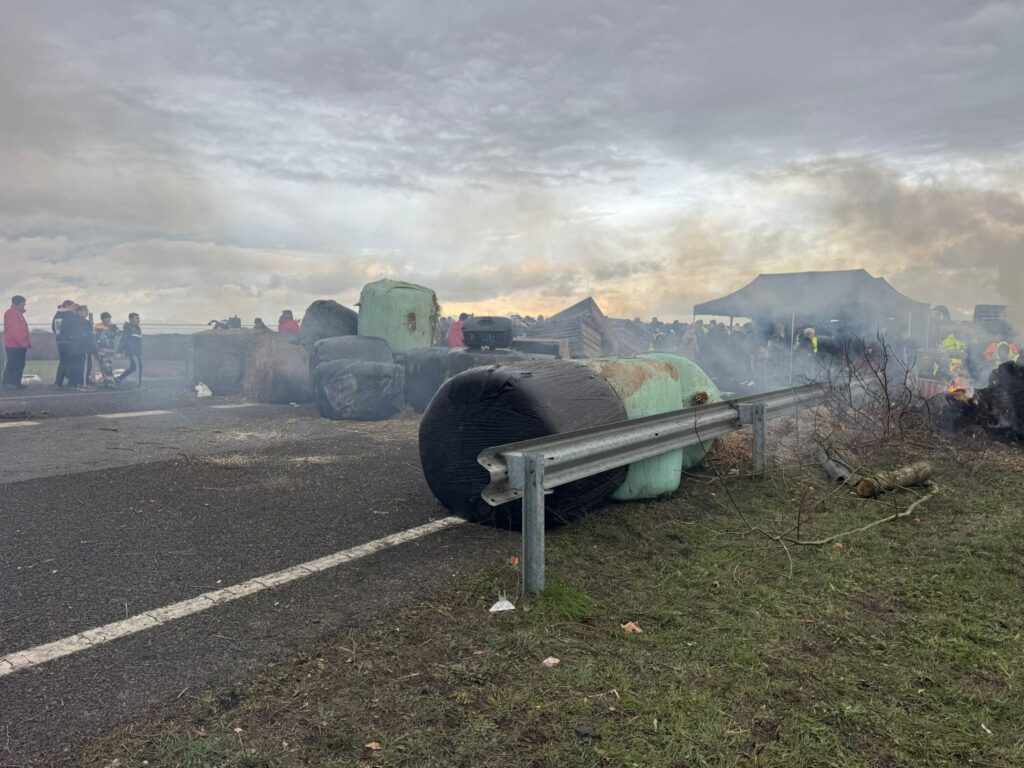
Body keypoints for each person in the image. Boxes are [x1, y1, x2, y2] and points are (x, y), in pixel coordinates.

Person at [2, 295, 31, 389]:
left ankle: (15, 382)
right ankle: (8, 383)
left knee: (20, 364)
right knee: (13, 363)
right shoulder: (11, 313)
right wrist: (22, 342)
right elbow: (15, 330)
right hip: (14, 345)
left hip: (18, 344)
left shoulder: (17, 313)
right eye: (23, 303)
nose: (24, 305)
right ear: (18, 303)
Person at [52, 300, 79, 388]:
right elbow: (75, 328)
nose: (74, 308)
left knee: (63, 362)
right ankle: (72, 382)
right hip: (70, 342)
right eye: (72, 306)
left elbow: (53, 328)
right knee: (72, 362)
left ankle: (58, 383)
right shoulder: (70, 315)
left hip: (60, 341)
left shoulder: (57, 315)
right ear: (67, 306)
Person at [115, 313, 144, 386]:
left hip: (137, 351)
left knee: (133, 367)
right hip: (132, 351)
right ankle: (138, 385)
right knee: (138, 366)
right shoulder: (128, 328)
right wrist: (119, 351)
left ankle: (118, 379)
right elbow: (123, 340)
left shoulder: (137, 328)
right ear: (131, 319)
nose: (138, 320)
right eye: (136, 318)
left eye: (138, 318)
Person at [93, 312, 119, 387]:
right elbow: (94, 337)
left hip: (109, 349)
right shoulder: (97, 326)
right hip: (100, 349)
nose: (108, 319)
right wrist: (96, 349)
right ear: (102, 319)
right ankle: (108, 381)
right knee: (104, 365)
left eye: (109, 318)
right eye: (106, 318)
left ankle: (108, 381)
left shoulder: (113, 326)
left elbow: (119, 333)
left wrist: (113, 327)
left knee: (107, 365)